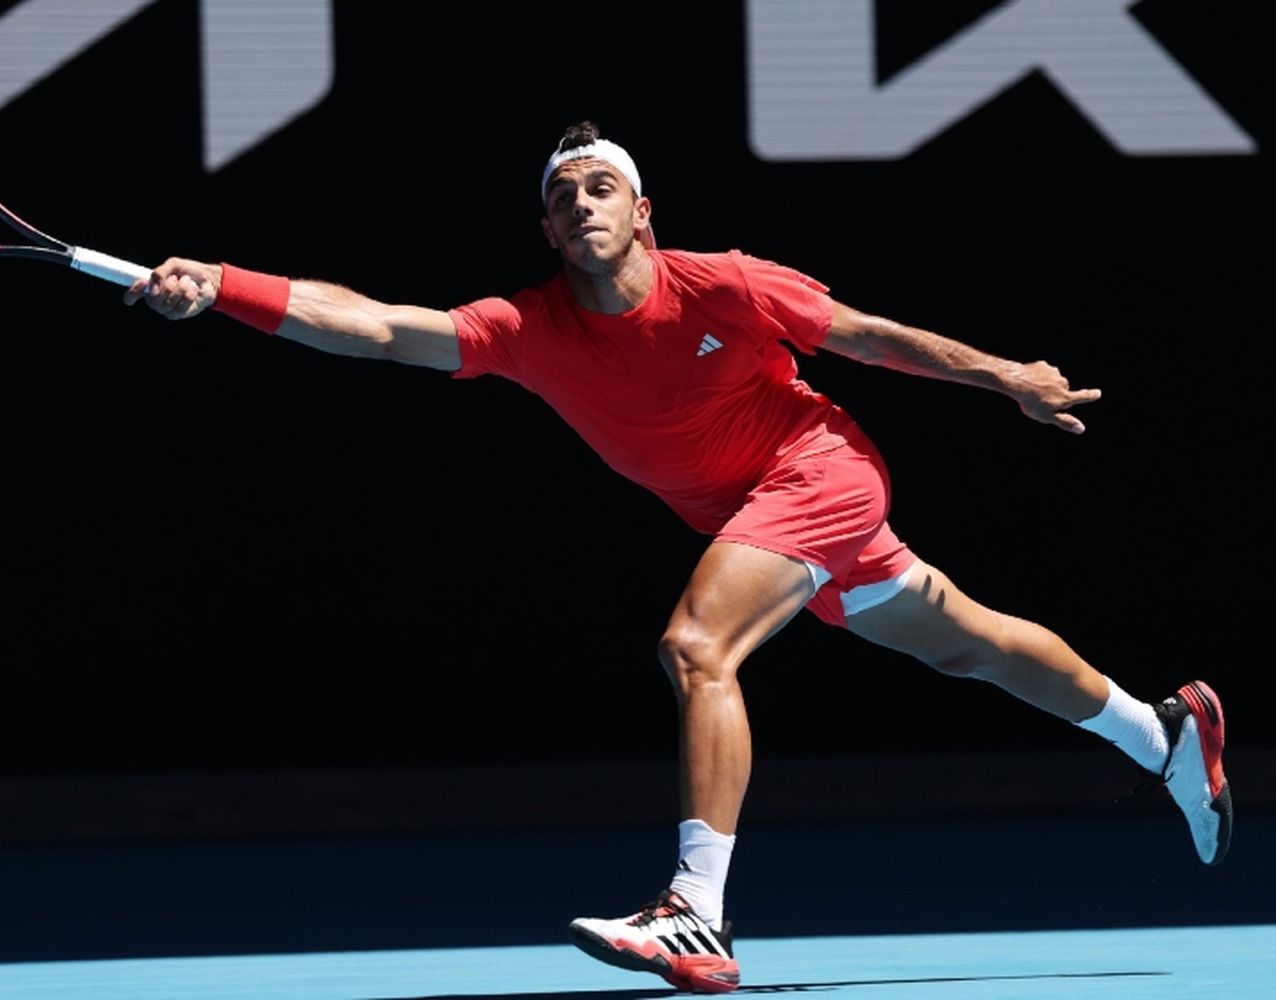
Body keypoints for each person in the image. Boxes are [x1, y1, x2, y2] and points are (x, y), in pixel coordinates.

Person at [123, 121, 1232, 994]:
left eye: (598, 188)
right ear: (549, 234)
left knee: (697, 646)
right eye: (560, 199)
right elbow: (368, 323)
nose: (578, 205)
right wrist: (226, 283)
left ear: (642, 212)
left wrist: (1003, 376)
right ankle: (1162, 732)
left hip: (818, 469)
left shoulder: (730, 284)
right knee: (967, 643)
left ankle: (696, 907)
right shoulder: (527, 327)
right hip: (763, 509)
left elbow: (866, 335)